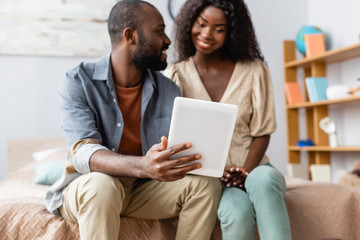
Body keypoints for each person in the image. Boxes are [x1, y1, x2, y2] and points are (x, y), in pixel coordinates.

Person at [45, 1, 222, 239]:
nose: (168, 40)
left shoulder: (169, 90)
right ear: (131, 36)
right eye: (159, 32)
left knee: (206, 185)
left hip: (142, 190)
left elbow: (171, 153)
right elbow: (83, 151)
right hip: (91, 187)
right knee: (102, 186)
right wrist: (143, 166)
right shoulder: (78, 81)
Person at [164, 0, 291, 239]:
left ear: (232, 32)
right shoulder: (176, 74)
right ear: (190, 23)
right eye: (201, 24)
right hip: (209, 180)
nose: (206, 34)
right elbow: (174, 136)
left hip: (255, 167)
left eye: (219, 29)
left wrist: (245, 171)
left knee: (263, 181)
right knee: (237, 211)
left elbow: (262, 131)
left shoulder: (255, 70)